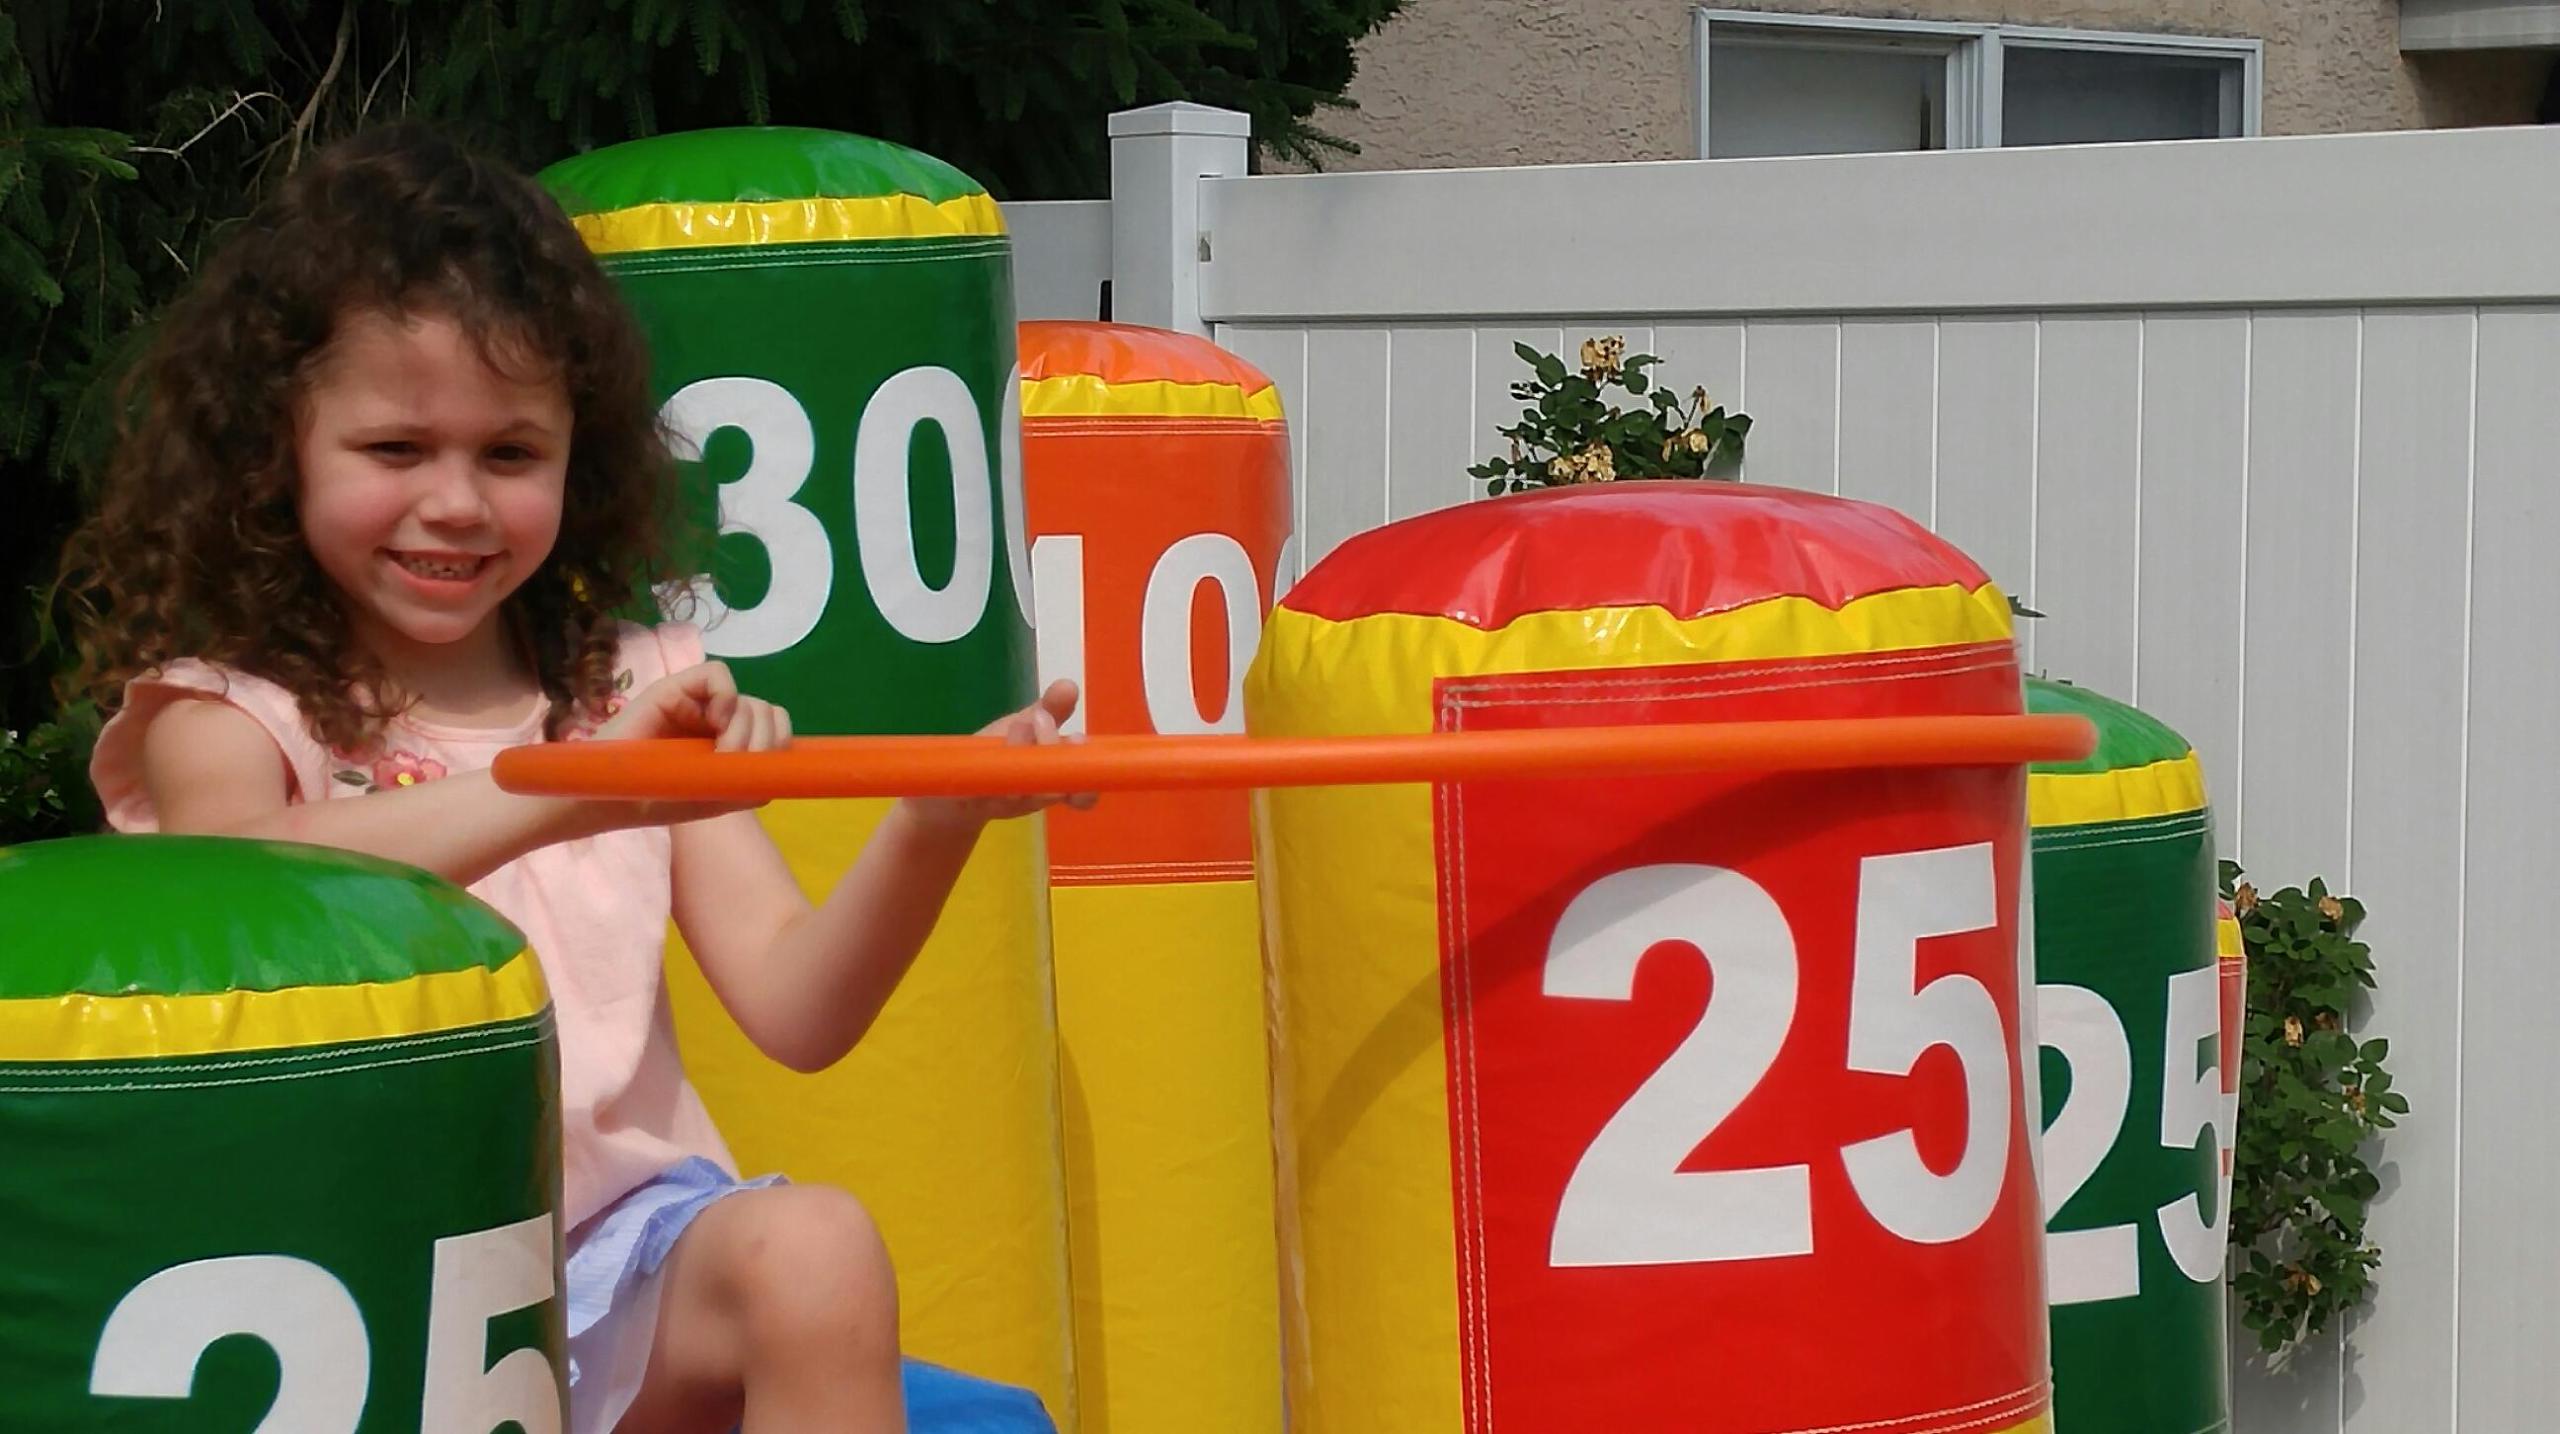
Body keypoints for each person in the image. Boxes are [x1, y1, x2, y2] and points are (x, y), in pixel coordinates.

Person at [58, 121, 1081, 1434]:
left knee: (815, 1245)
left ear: (575, 459)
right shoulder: (228, 721)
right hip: (362, 1278)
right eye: (395, 450)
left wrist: (932, 822)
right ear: (277, 450)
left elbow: (799, 1005)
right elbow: (258, 905)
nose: (457, 504)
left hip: (619, 1260)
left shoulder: (627, 687)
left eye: (508, 454)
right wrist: (585, 783)